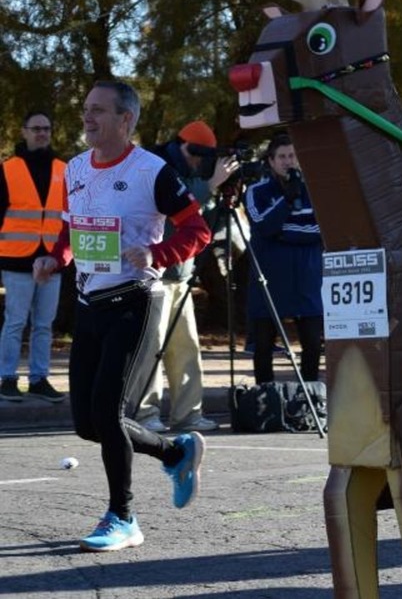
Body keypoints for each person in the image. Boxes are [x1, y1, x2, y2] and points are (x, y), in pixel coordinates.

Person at [33, 80, 211, 552]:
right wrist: (56, 258)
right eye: (85, 109)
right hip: (91, 303)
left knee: (108, 413)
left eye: (98, 111)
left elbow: (198, 230)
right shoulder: (74, 168)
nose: (87, 118)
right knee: (86, 425)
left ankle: (123, 517)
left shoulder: (152, 171)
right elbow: (74, 227)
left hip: (135, 301)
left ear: (125, 119)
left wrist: (157, 251)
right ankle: (175, 450)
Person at [134, 120, 239, 433]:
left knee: (186, 348)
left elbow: (199, 223)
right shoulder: (159, 170)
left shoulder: (190, 171)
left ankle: (188, 415)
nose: (198, 162)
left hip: (181, 274)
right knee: (151, 346)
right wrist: (212, 184)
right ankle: (144, 414)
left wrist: (219, 192)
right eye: (195, 155)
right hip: (156, 274)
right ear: (183, 147)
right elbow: (177, 206)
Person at [243, 133, 323, 385]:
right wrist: (286, 201)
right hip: (270, 280)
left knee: (311, 343)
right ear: (271, 160)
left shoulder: (316, 189)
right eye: (282, 156)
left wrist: (283, 233)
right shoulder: (257, 191)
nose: (288, 161)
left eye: (292, 155)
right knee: (263, 345)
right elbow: (263, 226)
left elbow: (321, 231)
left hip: (307, 280)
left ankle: (309, 396)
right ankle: (265, 397)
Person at [0, 110, 66, 403]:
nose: (42, 133)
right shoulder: (7, 169)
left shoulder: (64, 169)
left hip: (52, 259)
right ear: (24, 132)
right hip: (16, 259)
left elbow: (69, 216)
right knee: (15, 322)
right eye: (36, 128)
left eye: (47, 128)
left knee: (44, 324)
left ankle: (39, 378)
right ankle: (7, 378)